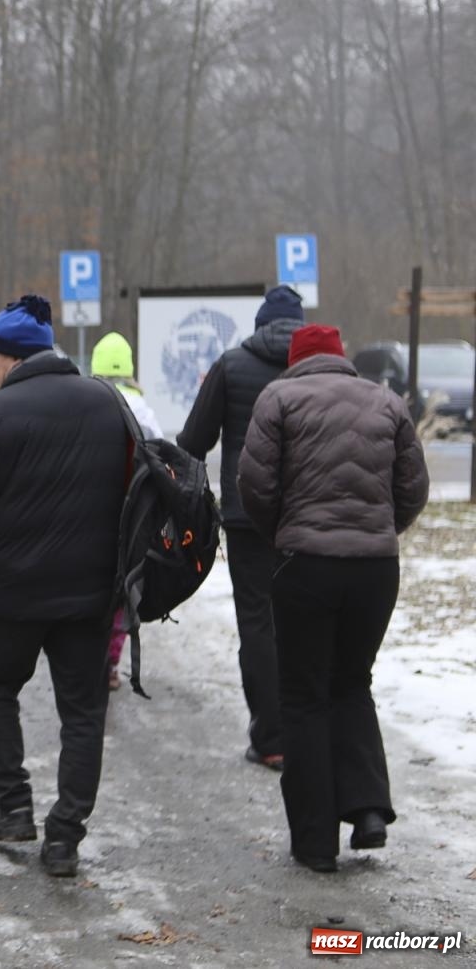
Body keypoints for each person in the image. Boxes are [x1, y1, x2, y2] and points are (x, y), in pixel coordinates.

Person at [0, 295, 132, 878]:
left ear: (13, 358)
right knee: (83, 711)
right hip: (89, 596)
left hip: (11, 596)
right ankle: (65, 838)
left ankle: (14, 807)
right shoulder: (108, 401)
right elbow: (133, 491)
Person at [237, 325, 428, 873]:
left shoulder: (278, 398)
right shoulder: (386, 401)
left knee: (303, 698)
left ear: (295, 362)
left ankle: (316, 844)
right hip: (376, 570)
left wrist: (282, 533)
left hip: (306, 565)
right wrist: (381, 531)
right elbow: (413, 487)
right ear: (341, 359)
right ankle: (368, 809)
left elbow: (255, 484)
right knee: (352, 683)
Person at [177, 285, 305, 772]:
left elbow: (193, 441)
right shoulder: (318, 367)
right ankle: (304, 726)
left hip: (248, 515)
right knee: (301, 620)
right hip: (306, 516)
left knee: (257, 621)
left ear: (259, 325)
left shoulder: (232, 365)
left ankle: (270, 738)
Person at [90, 331, 164, 691]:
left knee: (95, 584)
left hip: (95, 507)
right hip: (135, 513)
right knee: (124, 589)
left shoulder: (88, 402)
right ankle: (111, 663)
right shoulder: (143, 406)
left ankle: (89, 657)